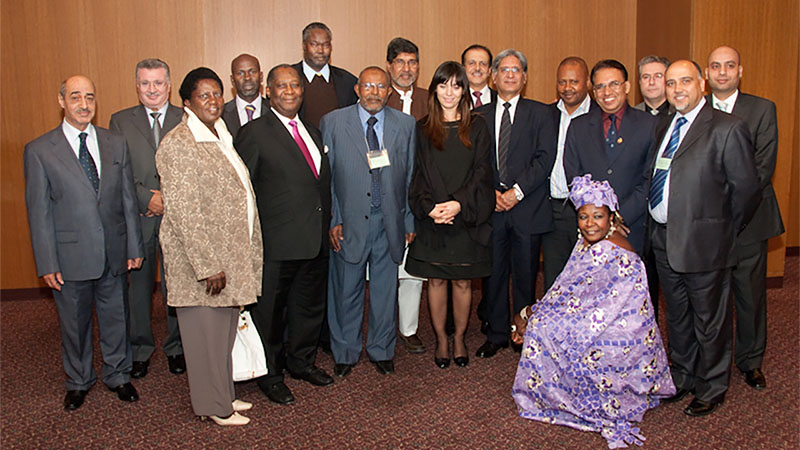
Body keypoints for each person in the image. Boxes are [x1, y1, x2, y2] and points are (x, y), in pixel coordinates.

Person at [511, 174, 675, 449]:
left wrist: (536, 318)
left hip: (620, 333)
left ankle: (556, 397)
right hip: (595, 317)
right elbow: (569, 290)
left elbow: (602, 312)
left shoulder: (621, 256)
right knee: (541, 321)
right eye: (583, 216)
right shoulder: (586, 242)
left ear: (611, 217)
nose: (589, 224)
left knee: (546, 329)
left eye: (597, 216)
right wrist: (532, 312)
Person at [24, 75, 144, 411]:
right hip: (69, 255)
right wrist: (47, 263)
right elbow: (39, 212)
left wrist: (134, 246)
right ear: (61, 101)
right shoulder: (39, 150)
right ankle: (78, 381)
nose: (84, 104)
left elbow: (126, 200)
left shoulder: (115, 143)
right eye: (75, 97)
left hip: (114, 251)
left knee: (117, 317)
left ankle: (118, 374)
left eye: (90, 97)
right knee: (74, 324)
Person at [648, 60, 760, 417]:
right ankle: (683, 377)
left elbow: (746, 192)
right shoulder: (664, 125)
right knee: (678, 316)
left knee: (710, 320)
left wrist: (720, 229)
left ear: (702, 83)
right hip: (664, 239)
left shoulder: (727, 128)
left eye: (685, 81)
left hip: (705, 244)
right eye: (670, 83)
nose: (677, 89)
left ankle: (712, 386)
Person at [156, 67, 263, 426]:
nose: (213, 101)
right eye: (203, 95)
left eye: (217, 93)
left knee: (222, 335)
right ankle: (213, 406)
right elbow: (185, 213)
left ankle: (225, 396)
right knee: (204, 338)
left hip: (229, 256)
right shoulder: (179, 143)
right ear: (186, 101)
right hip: (203, 265)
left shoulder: (218, 134)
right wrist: (206, 265)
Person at [235, 64, 334, 406]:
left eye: (295, 85)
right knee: (271, 314)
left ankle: (302, 362)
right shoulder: (253, 133)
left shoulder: (313, 131)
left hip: (315, 240)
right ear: (268, 91)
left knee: (307, 309)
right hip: (276, 244)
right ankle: (271, 375)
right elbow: (243, 192)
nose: (290, 91)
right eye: (282, 86)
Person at [321, 66, 416, 377]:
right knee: (345, 290)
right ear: (357, 89)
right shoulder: (333, 123)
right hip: (348, 222)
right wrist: (334, 218)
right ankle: (345, 352)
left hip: (389, 221)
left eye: (380, 87)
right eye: (368, 86)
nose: (374, 92)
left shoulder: (406, 125)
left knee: (385, 291)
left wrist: (409, 221)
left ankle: (381, 349)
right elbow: (328, 178)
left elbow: (411, 176)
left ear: (389, 91)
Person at [704, 45, 784, 390]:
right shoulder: (695, 109)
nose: (723, 72)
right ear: (706, 74)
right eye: (716, 66)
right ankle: (711, 362)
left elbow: (762, 169)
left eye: (730, 66)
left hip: (749, 220)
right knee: (710, 299)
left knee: (749, 296)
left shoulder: (762, 109)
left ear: (740, 71)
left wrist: (725, 208)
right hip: (705, 225)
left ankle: (751, 362)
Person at [406, 62, 494, 368]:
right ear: (434, 90)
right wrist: (431, 208)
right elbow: (416, 173)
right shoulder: (421, 128)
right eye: (443, 85)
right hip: (434, 217)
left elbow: (483, 173)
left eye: (456, 86)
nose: (449, 92)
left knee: (462, 282)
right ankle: (442, 339)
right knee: (437, 280)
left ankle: (459, 338)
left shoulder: (478, 126)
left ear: (464, 91)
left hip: (465, 216)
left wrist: (457, 204)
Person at [474, 49, 556, 358]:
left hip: (528, 207)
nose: (510, 74)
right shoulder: (478, 115)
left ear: (525, 77)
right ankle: (495, 333)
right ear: (493, 78)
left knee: (525, 275)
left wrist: (516, 193)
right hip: (492, 209)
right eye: (504, 70)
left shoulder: (541, 113)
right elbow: (475, 163)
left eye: (516, 70)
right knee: (493, 274)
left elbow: (544, 159)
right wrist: (491, 193)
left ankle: (524, 332)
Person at [109, 58, 185, 379]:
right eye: (144, 83)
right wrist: (148, 197)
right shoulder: (120, 121)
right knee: (138, 288)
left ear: (168, 85)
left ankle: (177, 347)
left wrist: (170, 200)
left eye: (157, 83)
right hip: (138, 217)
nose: (151, 89)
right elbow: (116, 171)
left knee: (177, 287)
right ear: (137, 87)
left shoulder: (187, 117)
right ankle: (140, 349)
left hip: (178, 217)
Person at [564, 59, 657, 255]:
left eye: (614, 84)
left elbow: (649, 179)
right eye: (600, 86)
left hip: (632, 227)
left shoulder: (649, 125)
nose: (607, 92)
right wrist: (598, 219)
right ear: (593, 91)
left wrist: (618, 218)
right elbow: (573, 175)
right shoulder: (578, 126)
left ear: (627, 87)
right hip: (590, 229)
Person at [385, 37, 428, 354]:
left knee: (412, 271)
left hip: (422, 198)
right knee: (383, 269)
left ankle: (409, 329)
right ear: (389, 65)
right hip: (385, 196)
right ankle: (381, 327)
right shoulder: (377, 97)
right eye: (400, 62)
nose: (406, 68)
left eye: (412, 62)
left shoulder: (432, 98)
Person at [542, 56, 594, 291]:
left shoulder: (599, 115)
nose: (567, 88)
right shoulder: (546, 114)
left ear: (588, 83)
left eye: (574, 82)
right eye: (562, 82)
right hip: (552, 208)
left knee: (588, 277)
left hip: (587, 212)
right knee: (554, 277)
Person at [291, 22, 358, 129]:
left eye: (326, 45)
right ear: (304, 46)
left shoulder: (348, 81)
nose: (321, 50)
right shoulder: (289, 78)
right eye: (314, 44)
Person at [222, 54, 268, 139]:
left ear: (261, 76)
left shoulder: (275, 110)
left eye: (252, 72)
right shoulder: (221, 114)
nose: (247, 77)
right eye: (240, 73)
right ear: (232, 80)